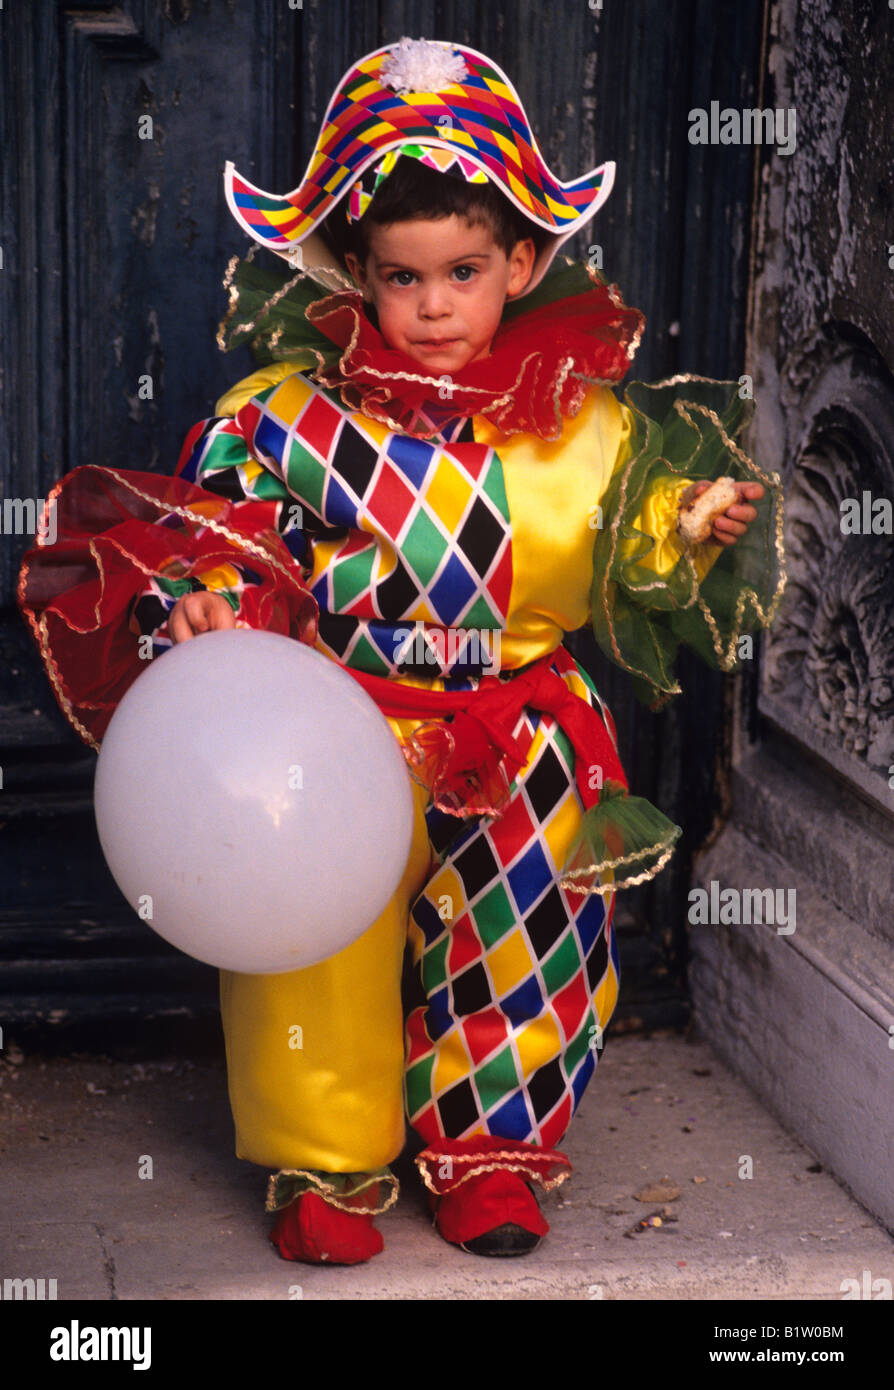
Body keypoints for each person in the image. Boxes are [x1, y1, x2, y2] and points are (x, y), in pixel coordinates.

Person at [18, 37, 784, 1264]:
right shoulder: (286, 419)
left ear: (523, 262)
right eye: (402, 276)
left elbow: (626, 542)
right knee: (314, 939)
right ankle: (321, 1161)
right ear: (354, 273)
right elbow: (227, 537)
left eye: (466, 270)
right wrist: (211, 603)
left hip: (520, 732)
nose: (433, 306)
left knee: (522, 934)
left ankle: (492, 1154)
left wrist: (687, 529)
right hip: (332, 728)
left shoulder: (579, 424)